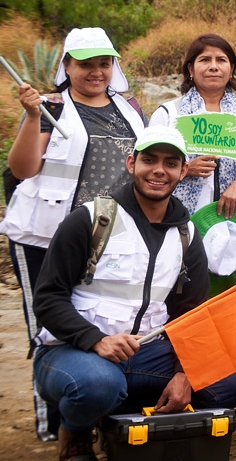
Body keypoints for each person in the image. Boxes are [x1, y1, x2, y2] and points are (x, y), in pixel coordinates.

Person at [31, 126, 236, 460]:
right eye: (149, 160)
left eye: (170, 163)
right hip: (73, 351)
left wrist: (184, 372)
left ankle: (123, 413)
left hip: (145, 353)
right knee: (99, 385)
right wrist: (95, 339)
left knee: (230, 385)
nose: (159, 170)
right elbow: (47, 297)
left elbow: (191, 313)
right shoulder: (90, 220)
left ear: (183, 171)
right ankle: (76, 431)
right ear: (132, 163)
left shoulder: (186, 234)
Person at [1, 27, 147, 442]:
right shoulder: (50, 106)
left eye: (104, 63)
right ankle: (52, 424)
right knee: (46, 325)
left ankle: (92, 407)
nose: (97, 72)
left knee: (91, 318)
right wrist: (32, 117)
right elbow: (23, 169)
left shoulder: (130, 108)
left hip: (105, 238)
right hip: (44, 236)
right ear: (67, 65)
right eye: (86, 64)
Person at [150, 34, 236, 217]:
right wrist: (184, 169)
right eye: (205, 60)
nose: (213, 66)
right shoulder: (168, 114)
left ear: (231, 70)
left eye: (221, 60)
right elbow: (149, 165)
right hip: (177, 218)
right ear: (191, 69)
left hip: (234, 221)